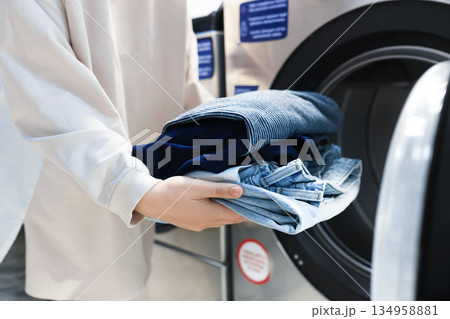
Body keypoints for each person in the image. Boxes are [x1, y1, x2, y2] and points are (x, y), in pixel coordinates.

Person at [0, 0, 245, 301]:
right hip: (36, 207)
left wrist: (241, 152)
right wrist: (135, 188)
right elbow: (48, 96)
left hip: (120, 205)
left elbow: (184, 89)